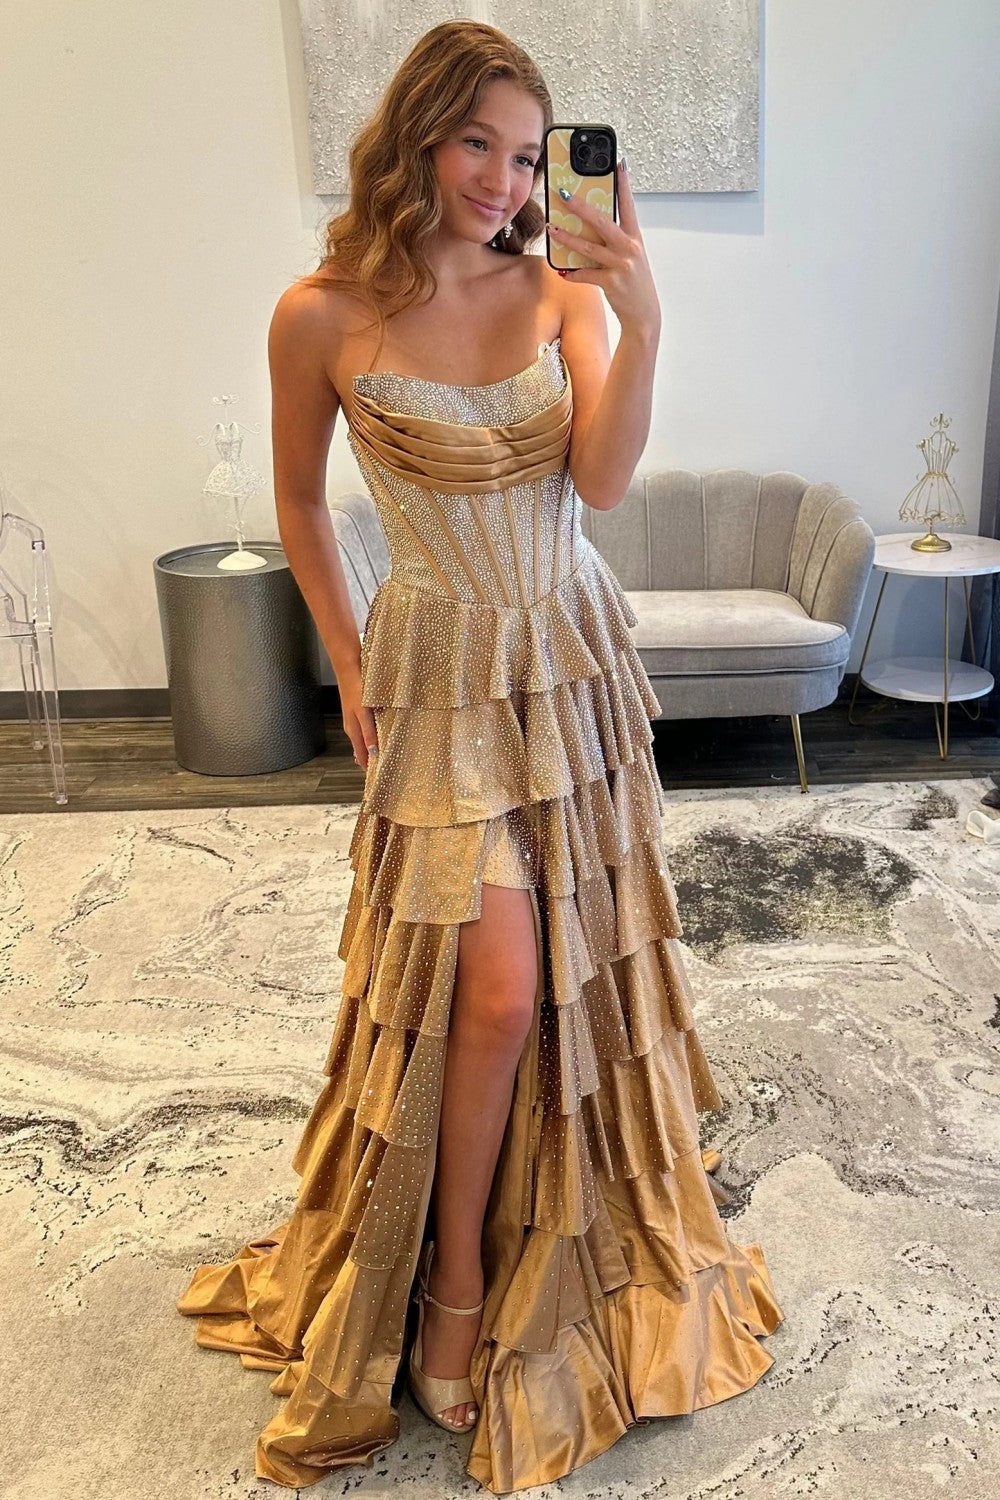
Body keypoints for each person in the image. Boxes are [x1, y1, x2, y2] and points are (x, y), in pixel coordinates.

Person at [177, 19, 783, 1493]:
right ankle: (451, 1278)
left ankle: (519, 1240)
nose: (503, 180)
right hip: (440, 671)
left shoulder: (561, 286)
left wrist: (644, 320)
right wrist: (345, 656)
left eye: (525, 155)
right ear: (416, 132)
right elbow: (302, 503)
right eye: (476, 144)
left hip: (567, 658)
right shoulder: (320, 315)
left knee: (567, 969)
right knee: (496, 984)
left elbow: (604, 482)